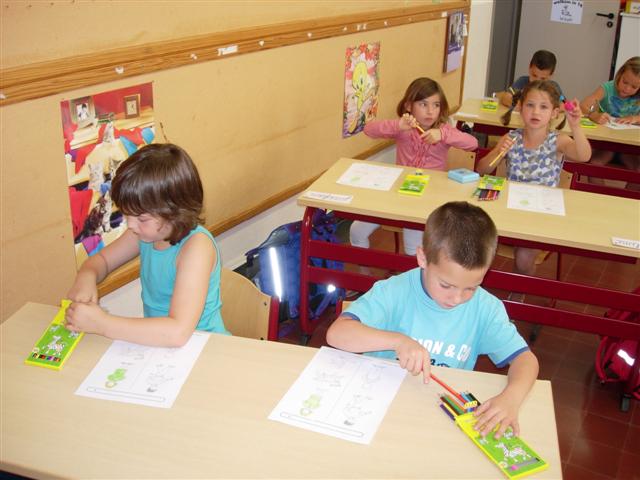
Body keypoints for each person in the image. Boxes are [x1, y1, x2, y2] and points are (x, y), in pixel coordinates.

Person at [327, 201, 539, 438]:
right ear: (423, 258)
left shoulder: (485, 308)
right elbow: (337, 334)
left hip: (438, 414)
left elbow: (526, 360)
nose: (457, 298)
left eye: (471, 287)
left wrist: (511, 399)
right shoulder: (393, 292)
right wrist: (398, 340)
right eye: (446, 285)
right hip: (379, 404)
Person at [65, 143, 229, 346]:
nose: (131, 225)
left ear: (175, 211)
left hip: (206, 348)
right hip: (162, 346)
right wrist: (86, 276)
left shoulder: (196, 248)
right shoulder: (145, 233)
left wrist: (102, 324)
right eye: (126, 215)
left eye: (141, 218)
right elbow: (102, 261)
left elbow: (177, 332)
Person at [350, 77, 478, 256]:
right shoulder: (404, 128)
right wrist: (398, 125)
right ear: (409, 106)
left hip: (428, 199)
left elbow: (472, 143)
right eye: (423, 104)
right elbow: (369, 129)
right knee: (356, 231)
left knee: (413, 245)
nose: (430, 111)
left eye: (436, 105)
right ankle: (364, 270)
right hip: (398, 193)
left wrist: (443, 135)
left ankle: (414, 273)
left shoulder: (443, 130)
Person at [477, 80, 591, 277]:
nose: (536, 112)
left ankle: (519, 290)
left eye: (543, 107)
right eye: (530, 105)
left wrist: (576, 126)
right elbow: (482, 169)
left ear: (554, 113)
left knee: (523, 257)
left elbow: (584, 155)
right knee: (479, 245)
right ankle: (476, 285)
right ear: (520, 108)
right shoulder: (511, 138)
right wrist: (498, 152)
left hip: (541, 213)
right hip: (510, 208)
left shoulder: (558, 141)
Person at [580, 56, 640, 189]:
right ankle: (600, 196)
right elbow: (583, 105)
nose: (627, 89)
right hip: (607, 144)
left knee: (638, 169)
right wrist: (594, 115)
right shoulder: (607, 88)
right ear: (620, 74)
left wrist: (635, 118)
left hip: (629, 146)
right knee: (595, 164)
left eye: (634, 87)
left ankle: (625, 199)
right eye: (625, 82)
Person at [497, 50, 563, 108]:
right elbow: (505, 97)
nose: (537, 81)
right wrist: (516, 104)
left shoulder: (554, 88)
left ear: (551, 75)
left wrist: (548, 108)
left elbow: (565, 104)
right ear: (529, 68)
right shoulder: (522, 82)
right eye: (534, 75)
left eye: (543, 79)